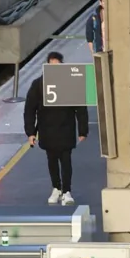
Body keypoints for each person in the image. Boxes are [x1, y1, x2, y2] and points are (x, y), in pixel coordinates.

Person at [23, 52, 90, 205]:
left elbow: (80, 107)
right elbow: (30, 109)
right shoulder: (38, 84)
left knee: (66, 160)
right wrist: (30, 132)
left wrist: (82, 129)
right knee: (51, 160)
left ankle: (66, 190)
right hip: (47, 130)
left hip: (66, 128)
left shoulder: (70, 83)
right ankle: (56, 187)